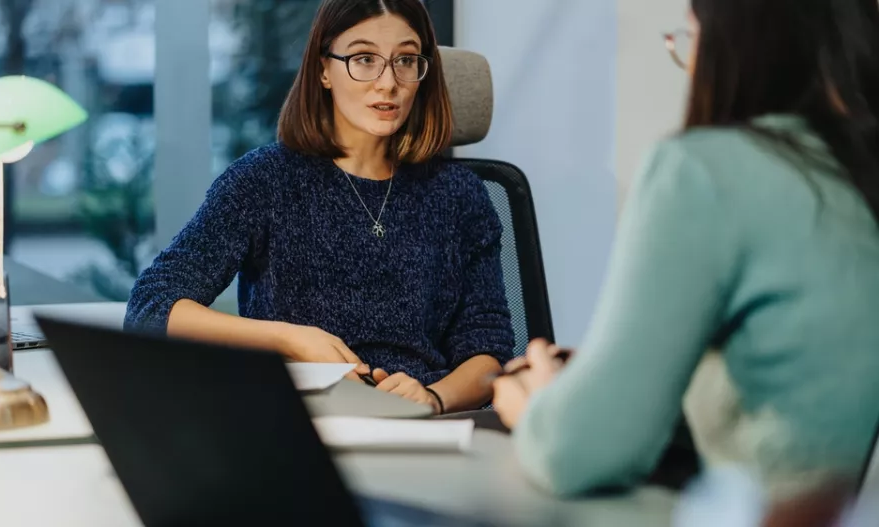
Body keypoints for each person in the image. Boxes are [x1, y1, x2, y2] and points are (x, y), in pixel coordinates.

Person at [493, 0, 879, 500]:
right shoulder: (854, 172)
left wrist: (537, 404)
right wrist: (633, 363)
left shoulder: (703, 171)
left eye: (691, 41)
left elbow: (577, 452)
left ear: (734, 46)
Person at [124, 0, 514, 414]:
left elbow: (489, 349)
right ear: (323, 69)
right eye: (364, 59)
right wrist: (288, 338)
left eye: (405, 60)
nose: (388, 83)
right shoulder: (265, 180)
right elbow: (152, 307)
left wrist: (434, 398)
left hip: (422, 423)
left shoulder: (459, 194)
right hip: (298, 419)